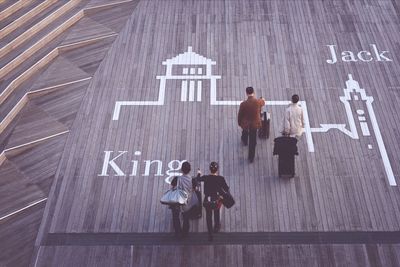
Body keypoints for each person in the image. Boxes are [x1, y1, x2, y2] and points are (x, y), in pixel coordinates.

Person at [197, 162, 229, 241]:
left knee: (208, 216)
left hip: (207, 200)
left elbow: (198, 179)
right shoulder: (221, 178)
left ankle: (210, 234)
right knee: (217, 212)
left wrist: (199, 173)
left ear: (210, 169)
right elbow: (226, 189)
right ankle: (216, 227)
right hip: (216, 200)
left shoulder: (206, 177)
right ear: (217, 170)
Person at [170, 161, 198, 238]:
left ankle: (178, 232)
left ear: (182, 169)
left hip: (178, 201)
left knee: (175, 216)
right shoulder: (192, 179)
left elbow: (172, 186)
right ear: (190, 170)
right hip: (187, 201)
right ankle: (185, 234)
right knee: (186, 217)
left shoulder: (177, 178)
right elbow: (195, 189)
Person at [237, 87, 266, 163]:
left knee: (245, 132)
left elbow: (240, 115)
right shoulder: (258, 102)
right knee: (253, 141)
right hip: (254, 124)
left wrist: (240, 122)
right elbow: (263, 102)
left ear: (246, 93)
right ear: (253, 92)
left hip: (246, 123)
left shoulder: (243, 104)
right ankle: (251, 158)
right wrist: (262, 99)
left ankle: (244, 141)